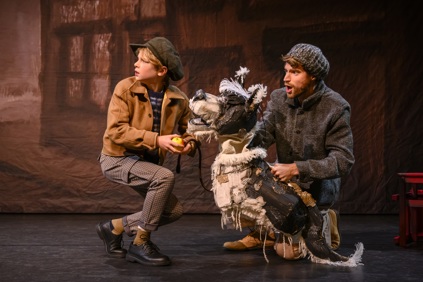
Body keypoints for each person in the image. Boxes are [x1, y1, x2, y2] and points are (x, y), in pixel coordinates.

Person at [223, 43, 354, 259]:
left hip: (314, 192)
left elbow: (343, 160)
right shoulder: (278, 98)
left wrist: (296, 169)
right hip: (283, 187)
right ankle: (263, 231)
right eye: (286, 71)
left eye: (295, 72)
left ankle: (325, 219)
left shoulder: (336, 107)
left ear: (313, 75)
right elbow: (263, 136)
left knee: (288, 254)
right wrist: (239, 133)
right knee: (230, 184)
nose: (286, 78)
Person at [96, 37, 196, 266]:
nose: (136, 64)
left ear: (161, 70)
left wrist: (190, 144)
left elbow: (192, 131)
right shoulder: (125, 88)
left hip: (147, 164)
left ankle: (113, 228)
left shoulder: (179, 99)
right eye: (137, 59)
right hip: (116, 159)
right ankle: (140, 243)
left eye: (143, 61)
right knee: (164, 177)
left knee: (173, 211)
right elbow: (116, 131)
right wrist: (157, 140)